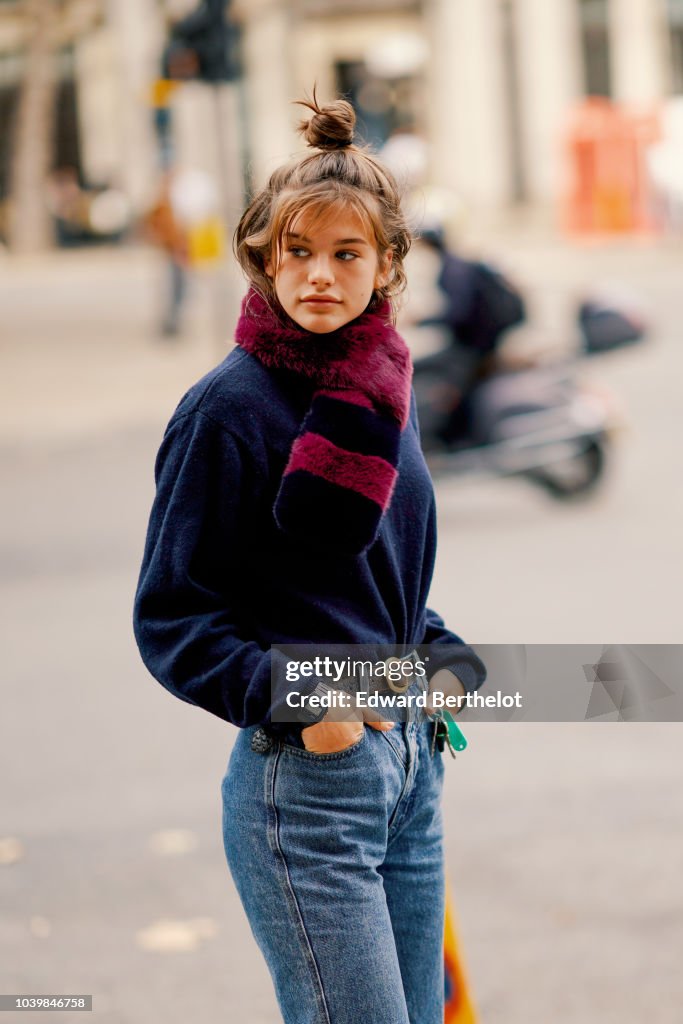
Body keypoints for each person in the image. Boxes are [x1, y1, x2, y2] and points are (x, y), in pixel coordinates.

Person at [133, 94, 486, 1024]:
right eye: (297, 252)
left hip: (408, 760)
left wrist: (439, 652)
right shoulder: (228, 409)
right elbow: (173, 618)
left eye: (345, 254)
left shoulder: (382, 388)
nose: (319, 277)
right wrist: (312, 706)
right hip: (310, 779)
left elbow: (370, 574)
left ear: (387, 268)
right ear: (261, 259)